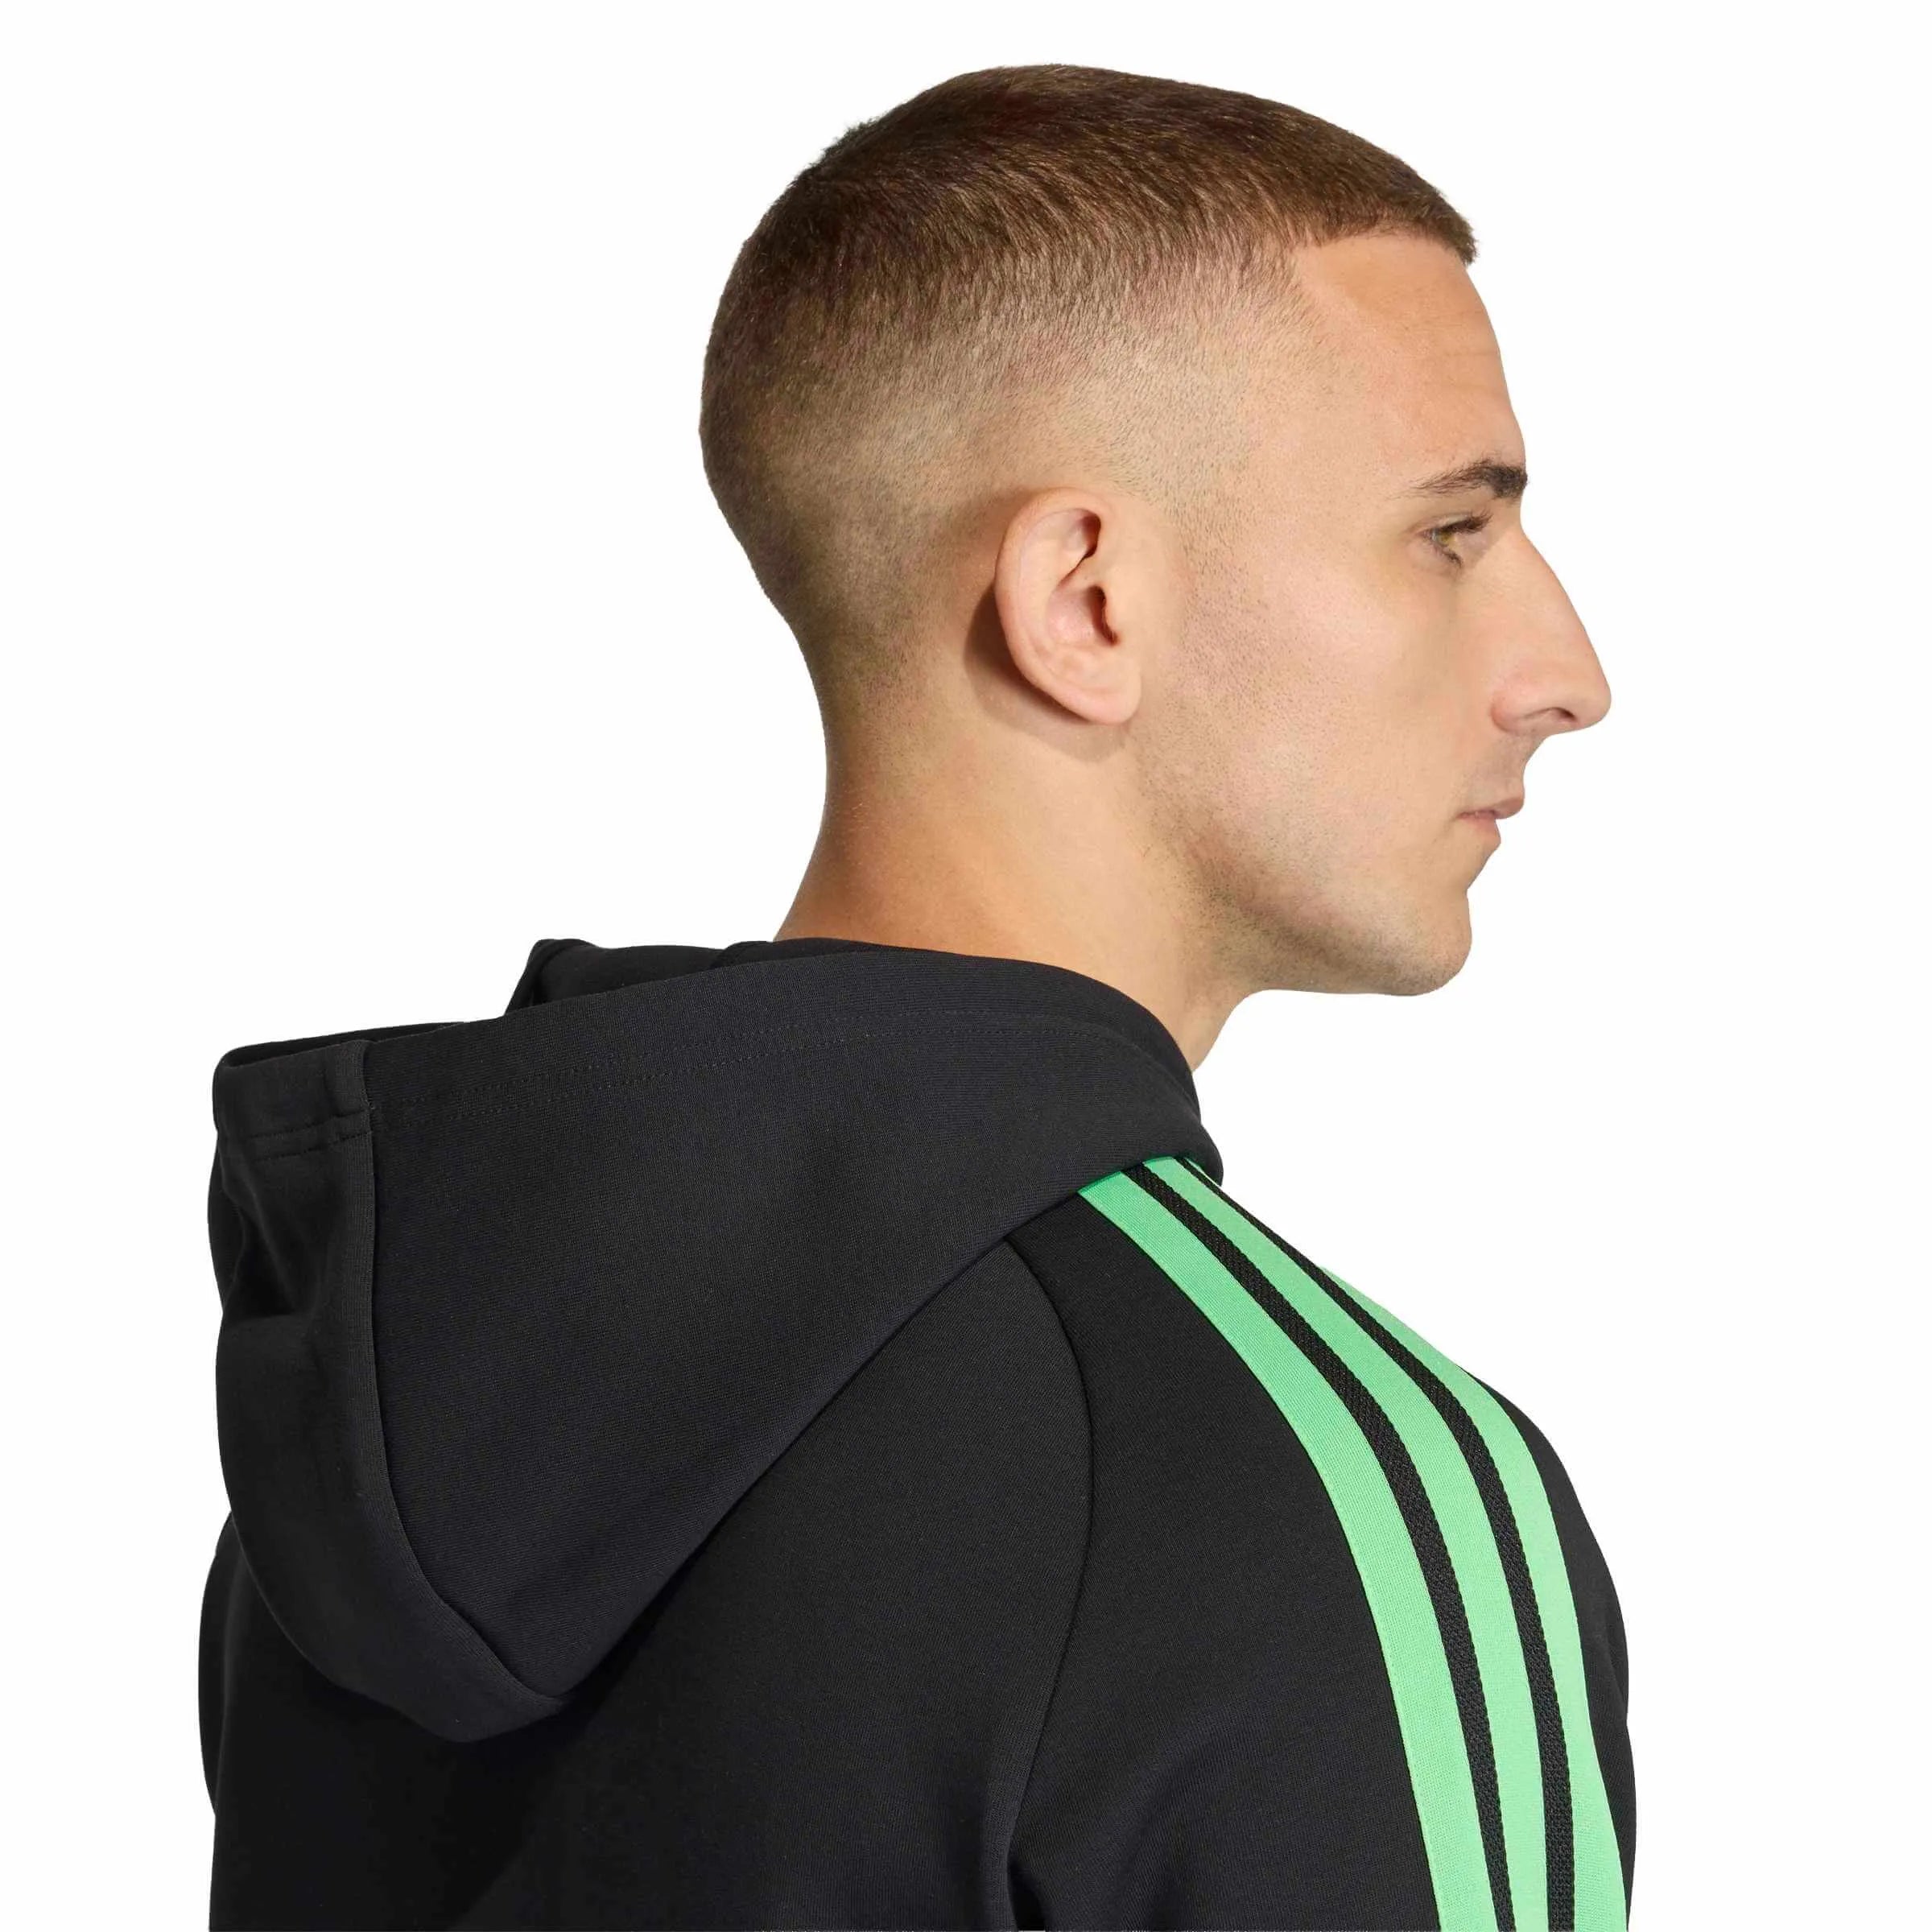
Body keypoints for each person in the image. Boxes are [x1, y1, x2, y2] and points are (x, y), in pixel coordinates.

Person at [198, 62, 1633, 1932]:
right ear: (1085, 601)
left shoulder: (388, 1431)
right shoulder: (1332, 1488)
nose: (1565, 672)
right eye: (1452, 533)